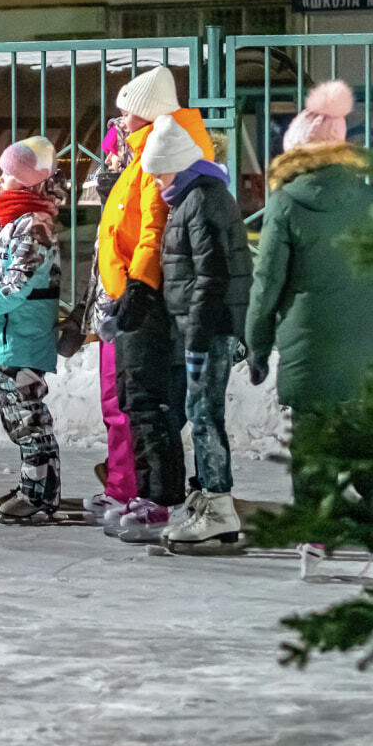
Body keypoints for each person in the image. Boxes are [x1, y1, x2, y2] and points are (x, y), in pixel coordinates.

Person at [244, 80, 373, 571]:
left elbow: (267, 283)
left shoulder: (287, 203)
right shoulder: (366, 197)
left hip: (310, 336)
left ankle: (315, 534)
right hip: (363, 332)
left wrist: (257, 341)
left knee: (312, 440)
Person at [97, 66, 216, 542]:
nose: (119, 121)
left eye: (125, 113)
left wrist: (140, 288)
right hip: (133, 291)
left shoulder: (160, 154)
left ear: (145, 116)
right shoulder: (145, 151)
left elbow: (154, 231)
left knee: (150, 402)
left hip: (148, 298)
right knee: (139, 399)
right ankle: (151, 494)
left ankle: (159, 499)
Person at [139, 115, 253, 552]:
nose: (155, 181)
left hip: (208, 328)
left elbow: (212, 274)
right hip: (201, 325)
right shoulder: (194, 197)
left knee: (204, 416)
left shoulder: (202, 201)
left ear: (176, 164)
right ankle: (208, 499)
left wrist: (198, 337)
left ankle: (219, 509)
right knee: (199, 413)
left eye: (159, 172)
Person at [0, 136, 68, 524]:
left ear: (26, 182)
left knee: (28, 419)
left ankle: (39, 495)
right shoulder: (19, 220)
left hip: (23, 337)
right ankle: (35, 486)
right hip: (13, 336)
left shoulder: (33, 225)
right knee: (20, 416)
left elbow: (16, 284)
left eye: (7, 175)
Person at [81, 118, 138, 528]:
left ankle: (133, 488)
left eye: (117, 152)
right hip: (109, 310)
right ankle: (122, 485)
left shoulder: (142, 185)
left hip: (131, 310)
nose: (109, 160)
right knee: (113, 404)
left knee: (129, 406)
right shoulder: (113, 194)